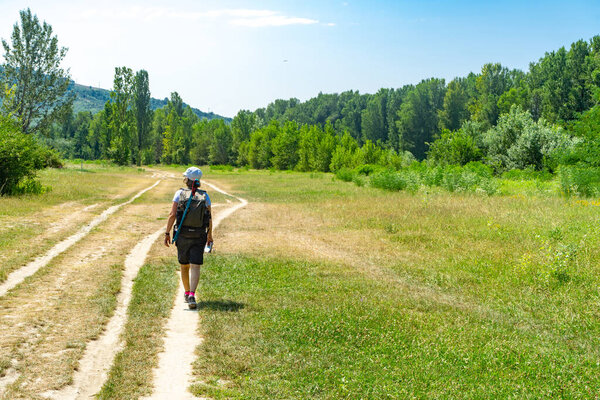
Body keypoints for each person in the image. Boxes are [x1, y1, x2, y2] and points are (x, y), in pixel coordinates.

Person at [164, 167, 213, 309]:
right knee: (195, 265)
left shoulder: (179, 194)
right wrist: (210, 235)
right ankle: (192, 294)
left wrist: (167, 233)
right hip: (199, 235)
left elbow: (172, 215)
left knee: (184, 265)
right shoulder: (205, 196)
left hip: (183, 234)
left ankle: (186, 292)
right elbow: (209, 218)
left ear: (187, 180)